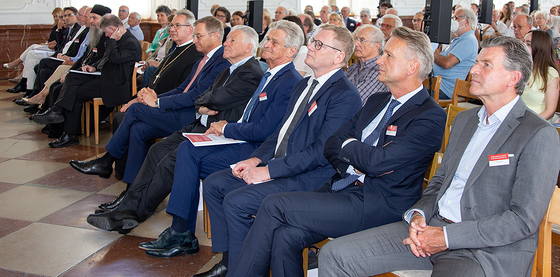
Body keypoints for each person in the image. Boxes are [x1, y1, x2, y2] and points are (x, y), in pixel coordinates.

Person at [319, 36, 560, 277]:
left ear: (513, 78)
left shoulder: (538, 133)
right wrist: (419, 215)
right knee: (335, 255)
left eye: (486, 64)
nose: (473, 69)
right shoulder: (466, 120)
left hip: (482, 249)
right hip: (431, 227)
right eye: (476, 62)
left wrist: (447, 237)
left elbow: (522, 220)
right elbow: (439, 181)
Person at [228, 27, 447, 277]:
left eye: (388, 56)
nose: (380, 61)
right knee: (285, 235)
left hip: (379, 203)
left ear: (412, 67)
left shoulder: (429, 115)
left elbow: (377, 162)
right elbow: (333, 142)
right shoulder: (377, 101)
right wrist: (353, 155)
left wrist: (350, 147)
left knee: (274, 205)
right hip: (344, 187)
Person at [85, 21, 303, 253]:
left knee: (182, 153)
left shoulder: (284, 80)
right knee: (163, 149)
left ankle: (170, 227)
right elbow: (203, 96)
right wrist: (206, 111)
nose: (266, 44)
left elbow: (264, 130)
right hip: (226, 133)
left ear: (291, 51)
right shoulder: (267, 74)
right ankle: (146, 215)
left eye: (273, 42)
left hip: (252, 148)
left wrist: (225, 127)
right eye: (267, 39)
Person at [197, 24, 362, 277]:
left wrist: (269, 171)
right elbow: (280, 133)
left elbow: (321, 152)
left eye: (319, 44)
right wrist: (255, 159)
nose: (311, 47)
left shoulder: (344, 95)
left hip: (311, 178)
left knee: (237, 201)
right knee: (216, 183)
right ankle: (232, 259)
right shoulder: (305, 84)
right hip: (284, 165)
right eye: (313, 41)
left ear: (339, 57)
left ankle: (244, 270)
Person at [68, 15, 229, 182]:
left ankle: (106, 161)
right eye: (194, 36)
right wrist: (151, 98)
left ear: (215, 36)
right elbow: (182, 89)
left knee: (135, 110)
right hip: (181, 109)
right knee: (138, 129)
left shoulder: (220, 61)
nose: (195, 40)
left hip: (190, 116)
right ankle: (132, 188)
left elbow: (196, 96)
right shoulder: (203, 59)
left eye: (198, 36)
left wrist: (157, 102)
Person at [32, 13, 141, 148]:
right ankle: (59, 116)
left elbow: (114, 58)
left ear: (113, 30)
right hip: (104, 78)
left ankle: (66, 129)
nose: (106, 36)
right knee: (72, 76)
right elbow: (105, 59)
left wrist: (112, 40)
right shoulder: (116, 39)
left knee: (76, 93)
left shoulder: (131, 42)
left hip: (116, 85)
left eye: (107, 32)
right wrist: (93, 66)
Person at [433, 7, 478, 99]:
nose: (453, 21)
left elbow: (447, 63)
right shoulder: (459, 39)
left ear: (467, 22)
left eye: (456, 18)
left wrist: (429, 52)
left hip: (445, 89)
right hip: (437, 83)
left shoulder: (468, 40)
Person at [521, 30, 560, 121]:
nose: (523, 47)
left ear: (540, 48)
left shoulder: (550, 73)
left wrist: (529, 123)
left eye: (529, 44)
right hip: (517, 118)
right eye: (523, 42)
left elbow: (550, 111)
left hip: (537, 122)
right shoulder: (521, 68)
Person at [345, 25, 388, 104]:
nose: (356, 43)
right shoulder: (353, 67)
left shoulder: (379, 71)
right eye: (356, 39)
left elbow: (353, 102)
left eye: (362, 40)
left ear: (376, 46)